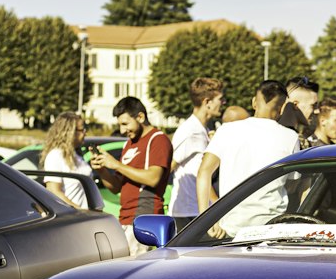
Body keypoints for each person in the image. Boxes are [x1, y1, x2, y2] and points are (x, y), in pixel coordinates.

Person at [196, 80, 299, 236]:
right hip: (272, 230)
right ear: (283, 107)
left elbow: (204, 172)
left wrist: (206, 219)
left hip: (228, 229)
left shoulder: (227, 130)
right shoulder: (290, 137)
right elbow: (292, 186)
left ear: (253, 102)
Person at [89, 96, 173, 256]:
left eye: (125, 124)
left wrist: (117, 164)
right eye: (119, 124)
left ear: (140, 117)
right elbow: (116, 187)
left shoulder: (158, 139)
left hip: (144, 216)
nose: (122, 130)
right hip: (125, 217)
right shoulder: (129, 143)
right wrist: (102, 169)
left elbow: (153, 178)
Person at [168, 76, 225, 218]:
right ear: (207, 102)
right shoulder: (191, 131)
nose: (224, 103)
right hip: (189, 213)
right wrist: (218, 207)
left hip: (197, 211)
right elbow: (169, 167)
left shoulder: (201, 129)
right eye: (220, 99)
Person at [40, 112, 92, 209]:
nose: (85, 133)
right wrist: (81, 211)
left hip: (85, 218)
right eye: (82, 130)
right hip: (73, 217)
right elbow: (54, 191)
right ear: (70, 132)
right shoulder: (55, 155)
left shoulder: (77, 155)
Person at [278, 75, 319, 142]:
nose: (317, 111)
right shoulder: (290, 140)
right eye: (313, 106)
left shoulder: (270, 133)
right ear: (295, 105)